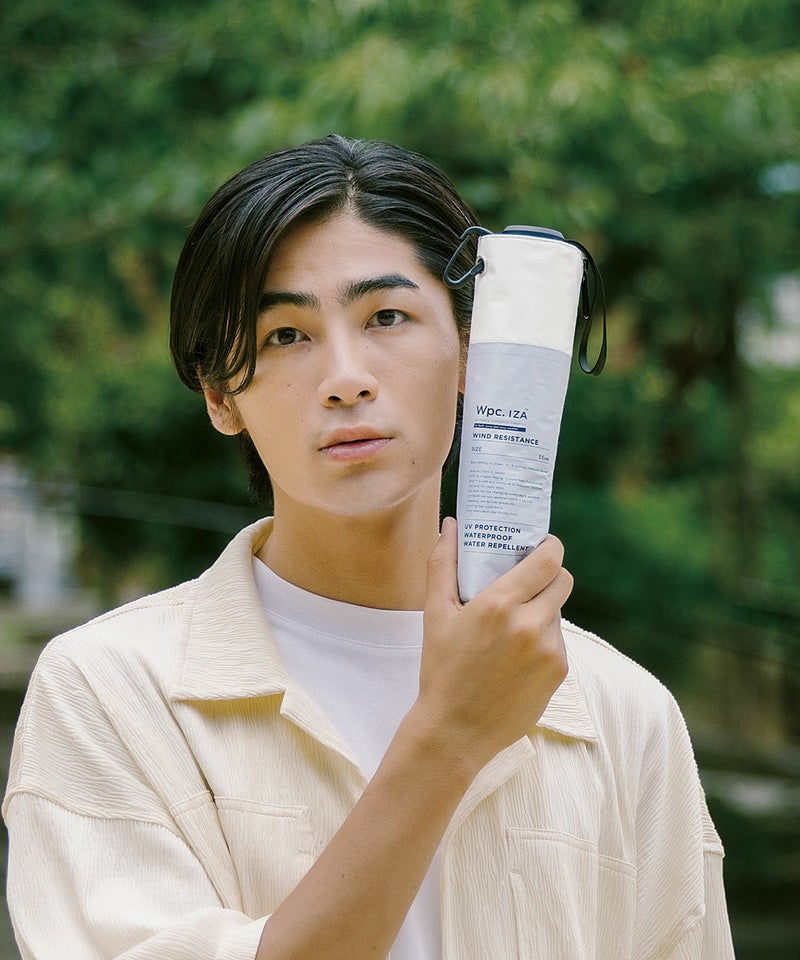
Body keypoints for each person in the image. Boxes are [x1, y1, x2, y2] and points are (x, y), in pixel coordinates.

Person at [3, 134, 735, 960]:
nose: (345, 377)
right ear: (218, 393)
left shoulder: (623, 715)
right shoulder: (107, 694)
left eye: (387, 317)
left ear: (473, 351)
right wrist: (448, 737)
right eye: (285, 334)